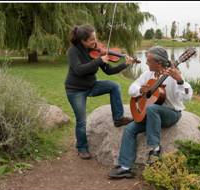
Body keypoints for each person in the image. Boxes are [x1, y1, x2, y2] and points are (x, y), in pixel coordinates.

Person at [108, 46, 193, 179]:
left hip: (171, 114)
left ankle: (155, 149)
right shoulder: (148, 74)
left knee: (152, 108)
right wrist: (141, 90)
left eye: (148, 61)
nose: (146, 63)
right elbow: (132, 88)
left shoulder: (172, 76)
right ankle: (125, 167)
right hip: (151, 115)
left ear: (158, 63)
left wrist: (180, 80)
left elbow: (187, 97)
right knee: (130, 129)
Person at [65, 24, 134, 159]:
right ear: (83, 41)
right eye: (91, 40)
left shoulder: (97, 51)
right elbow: (79, 70)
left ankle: (118, 118)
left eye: (95, 38)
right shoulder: (73, 51)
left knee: (114, 86)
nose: (95, 42)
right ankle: (82, 147)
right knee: (81, 121)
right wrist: (98, 60)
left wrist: (125, 64)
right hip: (75, 90)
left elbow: (109, 71)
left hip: (91, 85)